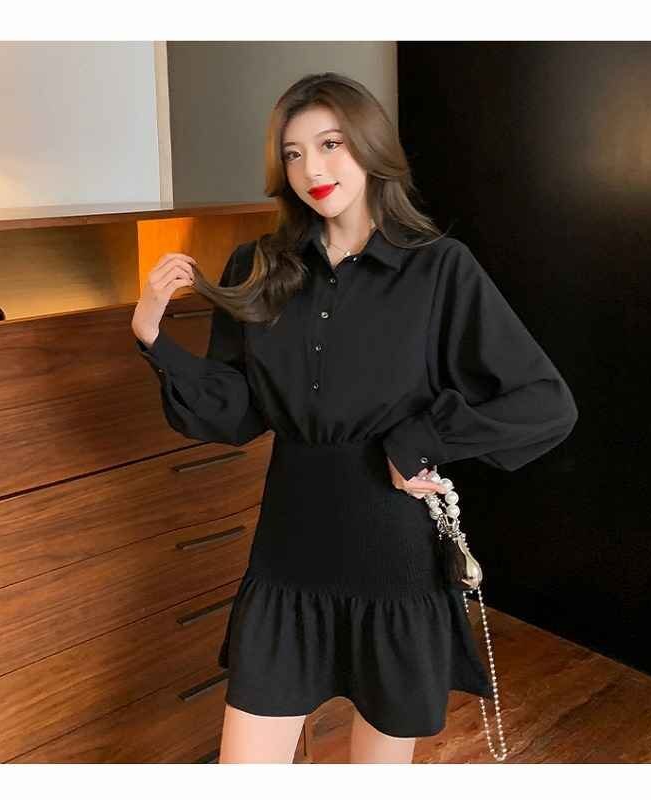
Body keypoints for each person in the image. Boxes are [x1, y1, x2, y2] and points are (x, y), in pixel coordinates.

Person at [131, 72, 578, 764]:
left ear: (370, 147)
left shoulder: (439, 269)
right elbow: (239, 412)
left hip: (393, 560)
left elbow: (543, 401)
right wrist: (154, 339)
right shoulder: (260, 265)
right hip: (288, 555)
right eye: (293, 153)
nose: (312, 169)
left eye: (330, 144)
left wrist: (419, 439)